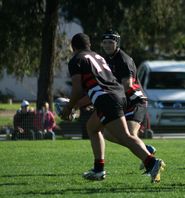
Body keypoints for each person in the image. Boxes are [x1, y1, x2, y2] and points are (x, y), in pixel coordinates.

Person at [61, 33, 165, 183]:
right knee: (92, 127)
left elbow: (77, 90)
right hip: (116, 95)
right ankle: (98, 169)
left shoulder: (77, 59)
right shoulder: (98, 57)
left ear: (73, 47)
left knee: (125, 136)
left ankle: (151, 162)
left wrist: (68, 107)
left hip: (108, 99)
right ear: (89, 45)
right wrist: (80, 104)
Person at [101, 29, 156, 163]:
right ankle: (145, 149)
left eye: (111, 42)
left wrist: (109, 98)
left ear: (117, 43)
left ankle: (150, 161)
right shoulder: (108, 59)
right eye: (105, 42)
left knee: (129, 134)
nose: (107, 45)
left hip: (135, 101)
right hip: (122, 102)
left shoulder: (123, 60)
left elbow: (127, 85)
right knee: (107, 133)